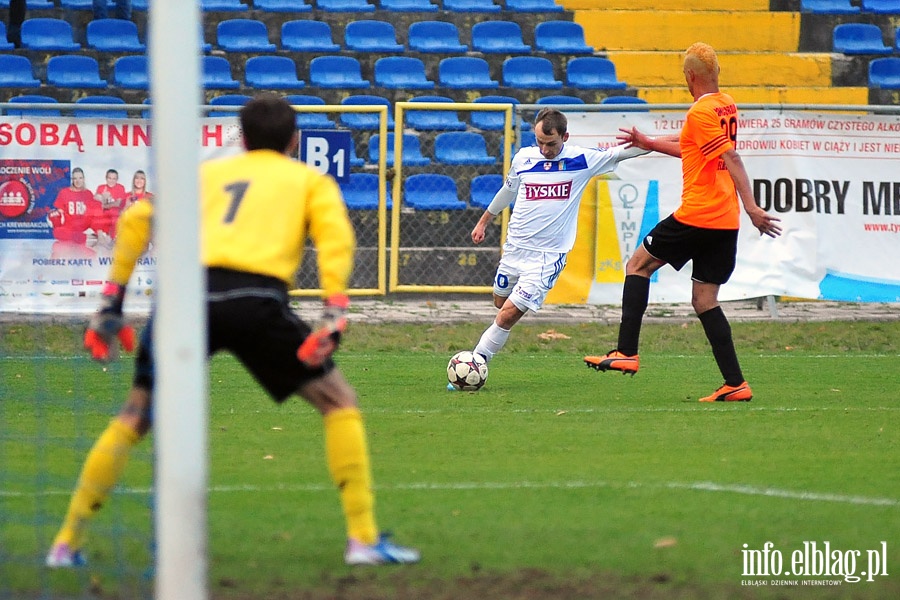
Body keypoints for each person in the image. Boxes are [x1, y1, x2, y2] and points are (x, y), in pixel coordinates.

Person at [46, 94, 419, 568]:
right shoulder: (307, 179)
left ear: (241, 139)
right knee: (338, 401)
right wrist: (334, 309)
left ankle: (65, 543)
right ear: (294, 140)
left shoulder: (207, 175)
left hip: (185, 299)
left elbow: (138, 217)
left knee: (135, 415)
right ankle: (362, 539)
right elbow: (334, 237)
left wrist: (111, 302)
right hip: (254, 298)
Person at [583, 42, 782, 402]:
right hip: (724, 221)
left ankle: (626, 352)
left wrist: (753, 207)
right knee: (705, 300)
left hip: (699, 214)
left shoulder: (699, 112)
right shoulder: (726, 104)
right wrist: (649, 142)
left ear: (689, 76)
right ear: (716, 73)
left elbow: (730, 155)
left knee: (637, 265)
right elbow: (691, 144)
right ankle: (736, 383)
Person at [450, 107, 649, 390]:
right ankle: (480, 355)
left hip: (547, 258)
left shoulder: (582, 160)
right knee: (499, 302)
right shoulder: (523, 158)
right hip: (515, 250)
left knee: (506, 315)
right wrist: (484, 222)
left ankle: (476, 362)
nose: (544, 149)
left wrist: (661, 143)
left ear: (565, 136)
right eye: (540, 142)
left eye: (551, 143)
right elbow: (508, 190)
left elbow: (624, 152)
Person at [48, 167, 102, 245]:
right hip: (70, 228)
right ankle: (85, 237)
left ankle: (99, 236)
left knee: (97, 205)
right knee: (57, 232)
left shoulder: (88, 193)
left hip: (85, 226)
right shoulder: (64, 192)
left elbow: (93, 214)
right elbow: (60, 213)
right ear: (72, 180)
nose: (78, 181)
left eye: (80, 178)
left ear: (83, 179)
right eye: (75, 178)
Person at [92, 168, 128, 239]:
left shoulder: (120, 187)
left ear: (117, 179)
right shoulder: (101, 187)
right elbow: (95, 200)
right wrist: (102, 197)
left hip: (115, 215)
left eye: (114, 179)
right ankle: (101, 236)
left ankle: (112, 237)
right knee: (96, 213)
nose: (111, 181)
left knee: (114, 213)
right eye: (109, 178)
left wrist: (104, 205)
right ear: (106, 178)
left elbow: (118, 203)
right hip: (104, 215)